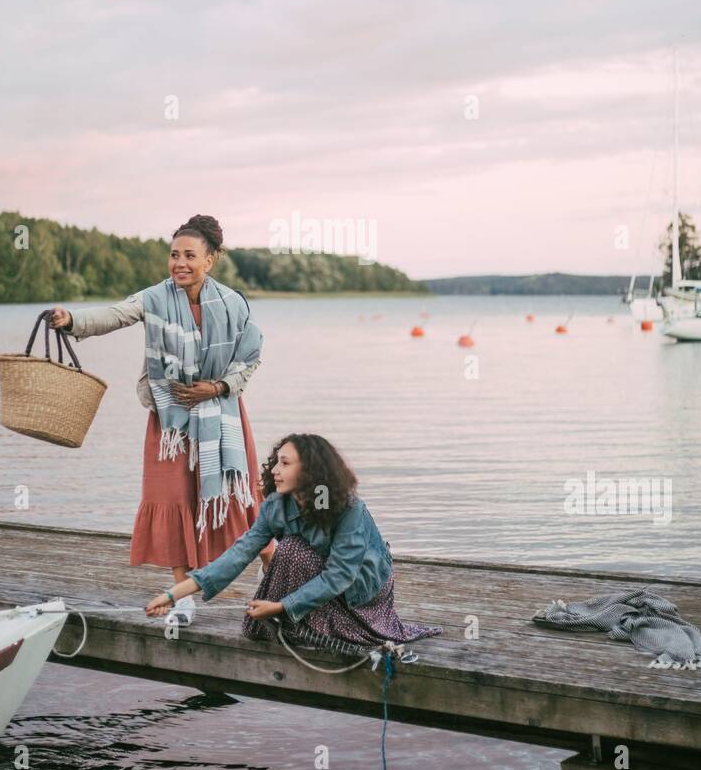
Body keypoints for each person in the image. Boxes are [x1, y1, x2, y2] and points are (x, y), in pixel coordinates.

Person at [49, 213, 275, 592]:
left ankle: (273, 564)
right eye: (173, 255)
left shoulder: (234, 303)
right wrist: (71, 319)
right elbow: (115, 315)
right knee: (171, 500)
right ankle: (181, 593)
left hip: (222, 415)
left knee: (238, 496)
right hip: (171, 421)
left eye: (189, 255)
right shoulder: (154, 298)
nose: (179, 264)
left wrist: (218, 387)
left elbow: (250, 357)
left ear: (210, 259)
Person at [145, 433, 444, 649]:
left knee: (292, 551)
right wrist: (173, 595)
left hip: (360, 590)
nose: (274, 469)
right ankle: (303, 620)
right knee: (291, 550)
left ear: (310, 471)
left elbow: (340, 574)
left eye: (285, 463)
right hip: (317, 578)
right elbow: (238, 555)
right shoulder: (277, 505)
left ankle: (306, 621)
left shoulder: (348, 508)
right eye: (276, 462)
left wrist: (279, 608)